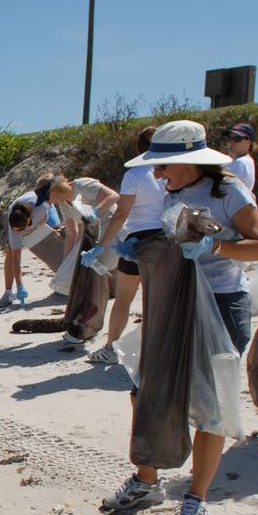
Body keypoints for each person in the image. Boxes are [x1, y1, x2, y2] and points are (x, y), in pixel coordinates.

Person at [104, 120, 258, 515]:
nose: (157, 174)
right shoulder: (171, 190)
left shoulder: (229, 191)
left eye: (162, 166)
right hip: (175, 301)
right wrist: (136, 245)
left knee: (210, 406)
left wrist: (215, 245)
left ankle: (196, 499)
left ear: (188, 161)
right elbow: (168, 236)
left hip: (220, 302)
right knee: (146, 390)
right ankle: (147, 482)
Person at [83, 126, 168, 364]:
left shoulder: (134, 174)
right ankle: (156, 351)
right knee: (156, 300)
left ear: (138, 149)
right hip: (164, 239)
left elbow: (121, 214)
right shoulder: (171, 171)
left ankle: (111, 348)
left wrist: (102, 245)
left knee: (123, 298)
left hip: (138, 239)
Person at [0, 195, 40, 307]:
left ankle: (62, 284)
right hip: (20, 215)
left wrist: (39, 224)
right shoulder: (14, 226)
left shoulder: (41, 208)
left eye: (21, 230)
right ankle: (8, 293)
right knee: (11, 254)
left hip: (40, 210)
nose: (19, 233)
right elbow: (15, 259)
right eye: (17, 231)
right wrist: (20, 286)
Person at [223, 123, 256, 191]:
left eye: (236, 139)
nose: (231, 142)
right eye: (230, 139)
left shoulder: (241, 163)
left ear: (248, 142)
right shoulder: (246, 161)